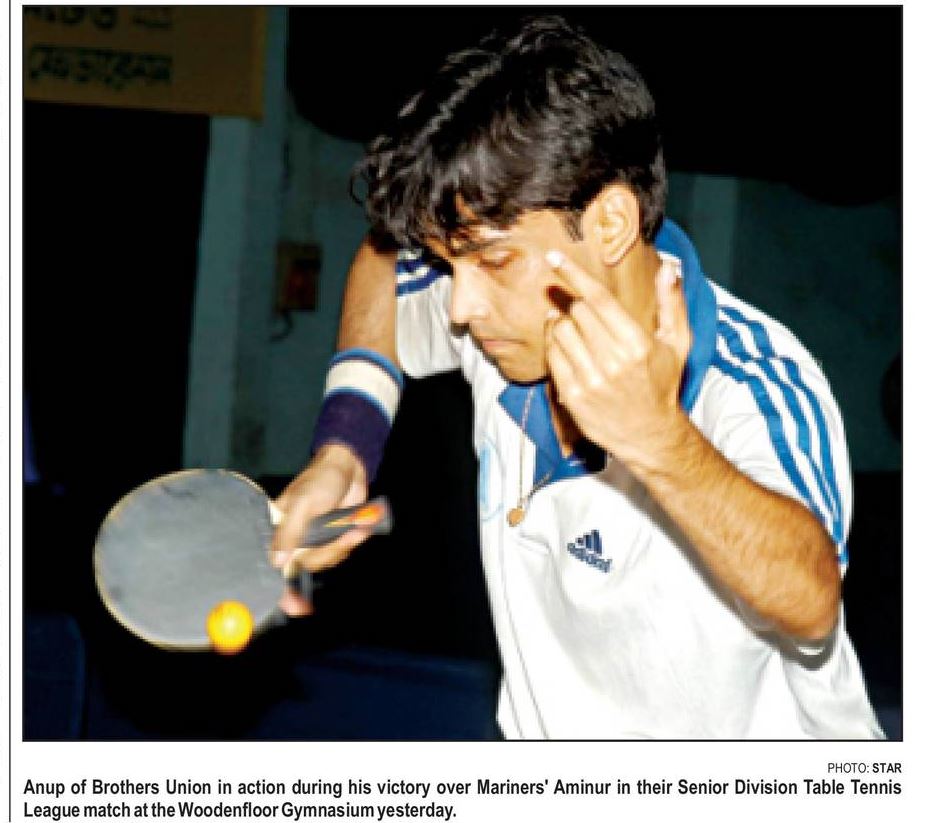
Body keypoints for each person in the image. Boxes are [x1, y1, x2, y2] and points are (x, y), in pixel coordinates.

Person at [271, 15, 883, 739]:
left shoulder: (752, 380)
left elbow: (810, 602)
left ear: (610, 224)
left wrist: (659, 440)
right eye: (448, 262)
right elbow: (382, 260)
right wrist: (345, 449)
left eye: (494, 259)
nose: (460, 307)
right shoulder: (506, 320)